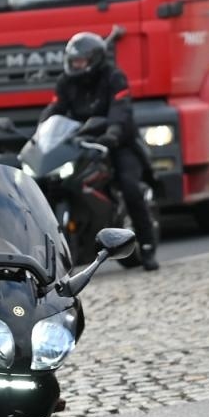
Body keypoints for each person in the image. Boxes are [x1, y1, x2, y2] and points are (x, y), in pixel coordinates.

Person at [41, 31, 159, 271]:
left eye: (81, 61)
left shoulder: (114, 77)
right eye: (73, 61)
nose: (76, 66)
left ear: (94, 60)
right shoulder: (66, 82)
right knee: (49, 183)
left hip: (118, 142)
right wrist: (42, 132)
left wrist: (112, 134)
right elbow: (56, 108)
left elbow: (121, 109)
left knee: (129, 186)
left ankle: (146, 246)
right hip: (81, 143)